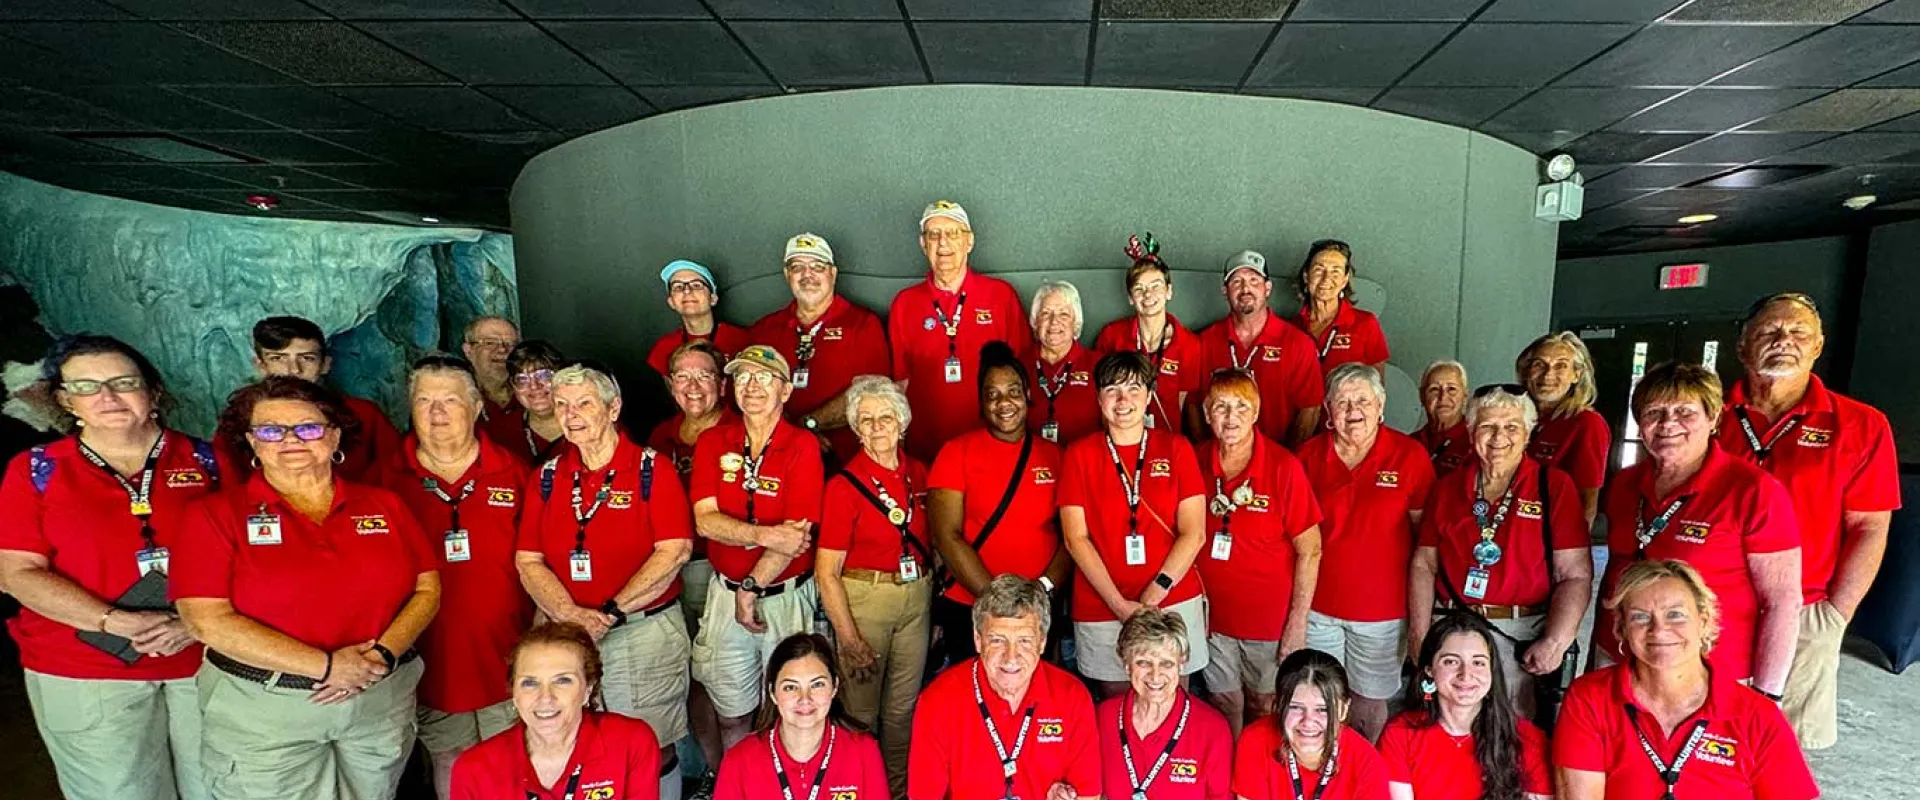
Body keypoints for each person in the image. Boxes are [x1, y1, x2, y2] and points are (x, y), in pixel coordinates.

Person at [173, 376, 439, 800]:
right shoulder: (214, 515)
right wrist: (328, 667)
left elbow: (427, 588)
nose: (291, 439)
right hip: (268, 708)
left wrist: (381, 655)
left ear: (333, 436)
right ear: (252, 442)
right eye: (271, 430)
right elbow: (205, 621)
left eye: (309, 428)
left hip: (378, 697)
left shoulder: (383, 505)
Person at [0, 336, 218, 800]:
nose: (108, 396)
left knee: (221, 787)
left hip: (204, 657)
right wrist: (116, 621)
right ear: (64, 399)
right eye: (86, 385)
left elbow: (253, 558)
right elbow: (16, 573)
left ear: (153, 391)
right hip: (84, 665)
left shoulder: (209, 462)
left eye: (124, 382)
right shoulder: (35, 470)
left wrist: (194, 624)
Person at [1718, 291, 1900, 749]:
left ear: (1819, 346)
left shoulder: (1861, 425)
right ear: (1742, 346)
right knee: (1704, 742)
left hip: (1804, 610)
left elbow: (1869, 528)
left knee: (1782, 749)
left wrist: (1835, 614)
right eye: (1769, 332)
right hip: (1710, 607)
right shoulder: (1707, 415)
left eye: (1799, 333)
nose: (1785, 341)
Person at [512, 362, 692, 800]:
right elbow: (528, 560)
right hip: (563, 632)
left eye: (584, 404)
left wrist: (608, 613)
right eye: (561, 405)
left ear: (613, 409)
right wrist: (572, 616)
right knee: (568, 737)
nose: (571, 415)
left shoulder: (653, 469)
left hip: (641, 630)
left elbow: (675, 552)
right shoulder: (549, 476)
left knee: (651, 742)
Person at [1592, 362, 1801, 698]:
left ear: (1713, 418)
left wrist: (1767, 696)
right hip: (1621, 660)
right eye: (1654, 412)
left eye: (1685, 411)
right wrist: (1597, 655)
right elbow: (1615, 575)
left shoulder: (1754, 490)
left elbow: (1782, 602)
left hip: (1712, 670)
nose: (1668, 424)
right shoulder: (1626, 484)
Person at [379, 355, 534, 798]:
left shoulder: (515, 471)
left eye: (449, 400)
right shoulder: (387, 479)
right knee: (450, 759)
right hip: (432, 656)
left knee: (515, 755)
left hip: (508, 649)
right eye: (424, 400)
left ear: (477, 405)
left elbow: (544, 560)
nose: (436, 413)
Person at [1555, 560, 1818, 800]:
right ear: (1621, 628)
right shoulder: (1590, 698)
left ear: (1704, 622)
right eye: (1640, 617)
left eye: (1675, 614)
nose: (1659, 629)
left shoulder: (1757, 717)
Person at [1407, 384, 1592, 719]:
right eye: (1488, 426)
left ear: (1528, 432)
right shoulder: (1448, 488)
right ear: (1471, 430)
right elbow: (1424, 564)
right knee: (1448, 722)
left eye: (1511, 427)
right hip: (1453, 625)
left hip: (1519, 634)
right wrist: (1420, 635)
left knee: (1514, 731)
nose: (1498, 437)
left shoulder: (1554, 486)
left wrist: (1556, 640)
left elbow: (1575, 574)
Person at [689, 345, 823, 749]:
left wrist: (751, 588)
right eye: (743, 377)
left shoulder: (802, 446)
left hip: (785, 597)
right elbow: (705, 521)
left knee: (795, 712)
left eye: (764, 377)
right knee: (733, 713)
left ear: (785, 391)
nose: (752, 386)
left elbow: (795, 536)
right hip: (723, 594)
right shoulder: (714, 441)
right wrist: (765, 534)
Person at [1298, 363, 1435, 740]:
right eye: (1342, 402)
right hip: (1318, 609)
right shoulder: (1307, 458)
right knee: (1320, 695)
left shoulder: (1409, 457)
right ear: (1328, 409)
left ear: (1380, 405)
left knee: (1371, 699)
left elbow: (1425, 539)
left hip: (1383, 612)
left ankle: (1364, 767)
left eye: (1362, 400)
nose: (1352, 410)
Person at [1060, 351, 1209, 696]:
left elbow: (1194, 532)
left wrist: (1153, 597)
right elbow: (1075, 539)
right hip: (1102, 606)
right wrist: (1119, 605)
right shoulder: (1079, 455)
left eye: (1133, 388)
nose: (1123, 399)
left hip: (1171, 601)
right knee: (1116, 712)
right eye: (1112, 389)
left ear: (1150, 396)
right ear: (1099, 399)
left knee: (1173, 705)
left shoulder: (1177, 448)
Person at [812, 376, 929, 795]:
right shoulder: (844, 486)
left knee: (902, 712)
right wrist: (848, 637)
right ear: (856, 429)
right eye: (866, 420)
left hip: (915, 598)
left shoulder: (919, 473)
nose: (878, 427)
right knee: (860, 713)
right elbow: (826, 570)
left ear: (902, 421)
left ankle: (897, 793)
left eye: (885, 418)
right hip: (864, 601)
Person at [1191, 369, 1324, 736]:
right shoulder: (1194, 460)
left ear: (1256, 412)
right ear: (1206, 413)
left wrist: (1297, 623)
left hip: (1267, 621)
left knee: (1263, 704)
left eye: (1240, 406)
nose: (1230, 417)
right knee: (1223, 703)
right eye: (1220, 407)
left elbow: (1310, 550)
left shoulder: (1283, 467)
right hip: (1212, 618)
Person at [928, 341, 1070, 664]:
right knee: (974, 697)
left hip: (1038, 608)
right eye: (992, 395)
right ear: (981, 403)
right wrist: (996, 601)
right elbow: (947, 537)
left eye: (1013, 392)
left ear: (1028, 396)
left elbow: (1070, 537)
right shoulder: (956, 453)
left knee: (1036, 699)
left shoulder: (1056, 456)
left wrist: (1043, 589)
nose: (1004, 402)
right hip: (972, 605)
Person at [909, 575, 1101, 800]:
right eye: (998, 640)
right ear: (978, 640)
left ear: (1042, 643)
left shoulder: (1072, 696)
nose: (1011, 657)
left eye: (1024, 641)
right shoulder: (937, 700)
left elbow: (1088, 793)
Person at [643, 339, 736, 776]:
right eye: (683, 377)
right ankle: (716, 772)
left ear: (722, 383)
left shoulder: (743, 429)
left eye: (704, 376)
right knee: (693, 677)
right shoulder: (660, 437)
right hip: (671, 573)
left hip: (725, 571)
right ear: (669, 385)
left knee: (732, 681)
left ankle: (743, 773)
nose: (694, 387)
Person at [887, 200, 1035, 463]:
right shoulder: (904, 304)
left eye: (953, 233)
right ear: (923, 245)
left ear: (970, 241)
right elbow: (901, 384)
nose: (943, 243)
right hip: (928, 452)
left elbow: (1023, 377)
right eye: (934, 235)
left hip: (994, 447)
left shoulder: (1000, 296)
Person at [449, 622, 663, 800]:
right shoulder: (473, 769)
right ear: (513, 692)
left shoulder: (631, 742)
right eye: (530, 683)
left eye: (562, 681)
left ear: (588, 688)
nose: (545, 697)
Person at [747, 233, 892, 461]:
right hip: (778, 458)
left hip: (846, 460)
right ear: (787, 274)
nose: (808, 275)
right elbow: (751, 392)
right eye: (797, 267)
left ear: (832, 274)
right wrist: (791, 433)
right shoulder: (764, 330)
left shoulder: (862, 324)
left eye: (817, 266)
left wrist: (808, 425)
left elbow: (870, 394)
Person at [1380, 613, 1552, 800]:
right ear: (1429, 670)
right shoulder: (1400, 733)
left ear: (1491, 671)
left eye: (1478, 663)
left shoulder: (1528, 739)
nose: (1466, 674)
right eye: (1451, 662)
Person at [712, 633, 889, 800]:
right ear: (773, 693)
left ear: (834, 687)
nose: (805, 698)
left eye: (817, 685)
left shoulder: (864, 751)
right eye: (790, 687)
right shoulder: (739, 760)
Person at [1097, 608, 1233, 800]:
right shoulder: (1103, 717)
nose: (1155, 675)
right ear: (1126, 665)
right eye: (1143, 663)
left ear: (1182, 663)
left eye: (1166, 663)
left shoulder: (1212, 728)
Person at [247, 315, 403, 483]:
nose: (293, 370)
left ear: (325, 364)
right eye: (278, 358)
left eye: (307, 358)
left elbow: (396, 474)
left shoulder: (364, 414)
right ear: (261, 365)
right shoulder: (242, 416)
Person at [1195, 250, 1324, 447]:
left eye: (1254, 280)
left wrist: (1286, 461)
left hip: (1277, 464)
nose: (1245, 288)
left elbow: (1310, 408)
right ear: (1225, 290)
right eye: (1237, 281)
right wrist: (1204, 456)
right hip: (1219, 463)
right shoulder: (1205, 341)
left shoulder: (1298, 343)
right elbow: (1192, 405)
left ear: (1268, 288)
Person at [1232, 649, 1391, 800]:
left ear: (1343, 710)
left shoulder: (1368, 764)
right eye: (1295, 707)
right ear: (1279, 707)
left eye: (1322, 709)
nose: (1308, 721)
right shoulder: (1255, 740)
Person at [1095, 233, 1205, 434]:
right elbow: (1103, 395)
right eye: (1139, 289)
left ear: (1169, 291)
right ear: (1130, 298)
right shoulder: (1112, 336)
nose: (1148, 295)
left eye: (1156, 286)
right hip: (1121, 439)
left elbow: (1186, 404)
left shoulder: (1189, 343)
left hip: (1166, 442)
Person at [1516, 332, 1610, 522]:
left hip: (1551, 533)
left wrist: (1573, 549)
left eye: (1561, 366)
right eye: (1539, 364)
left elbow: (1587, 500)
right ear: (1526, 371)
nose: (1548, 374)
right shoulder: (1517, 416)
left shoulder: (1587, 423)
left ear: (1576, 374)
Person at [1289, 239, 1389, 372]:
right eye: (1319, 270)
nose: (1326, 279)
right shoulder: (1290, 328)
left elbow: (1377, 387)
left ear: (1345, 280)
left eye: (1335, 272)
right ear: (1306, 277)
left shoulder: (1365, 324)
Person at [646, 259, 752, 375]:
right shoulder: (663, 349)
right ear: (671, 302)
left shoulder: (742, 339)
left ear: (713, 299)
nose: (687, 291)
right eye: (678, 287)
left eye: (696, 285)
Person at [1028, 280, 1101, 445]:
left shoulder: (1098, 365)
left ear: (1076, 323)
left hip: (1083, 462)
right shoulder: (1019, 366)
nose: (1054, 321)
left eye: (1064, 314)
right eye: (1046, 313)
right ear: (1035, 322)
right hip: (1033, 462)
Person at [493, 340, 567, 463]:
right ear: (513, 386)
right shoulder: (500, 432)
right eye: (522, 379)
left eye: (544, 375)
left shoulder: (587, 423)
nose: (534, 386)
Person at [462, 315, 522, 429]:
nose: (502, 349)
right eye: (490, 343)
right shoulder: (456, 395)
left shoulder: (534, 393)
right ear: (469, 351)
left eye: (510, 343)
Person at [1414, 360, 1470, 476]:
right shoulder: (1408, 444)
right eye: (1434, 389)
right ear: (1422, 396)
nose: (1443, 397)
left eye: (1451, 389)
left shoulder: (1477, 443)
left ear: (1465, 396)